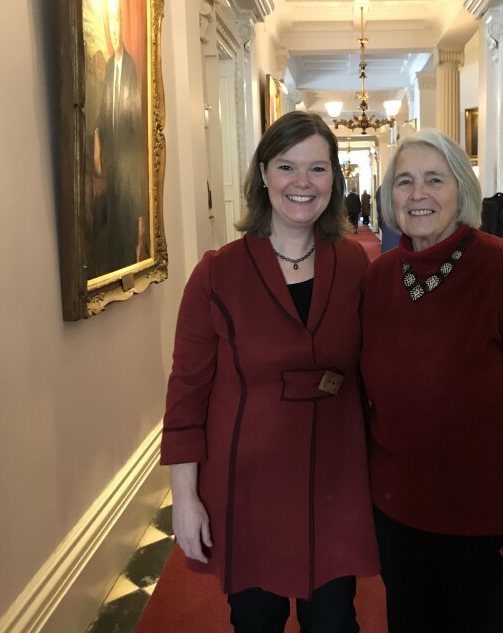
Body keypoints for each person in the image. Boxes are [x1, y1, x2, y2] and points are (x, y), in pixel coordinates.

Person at [162, 111, 379, 632]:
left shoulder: (354, 265)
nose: (302, 183)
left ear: (335, 179)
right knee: (255, 621)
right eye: (287, 167)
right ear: (263, 175)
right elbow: (187, 393)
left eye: (318, 169)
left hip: (335, 476)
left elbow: (379, 368)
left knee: (333, 621)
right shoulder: (217, 273)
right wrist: (185, 499)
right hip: (248, 483)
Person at [361, 129, 503, 632]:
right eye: (404, 182)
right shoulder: (377, 280)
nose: (417, 194)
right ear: (389, 197)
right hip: (401, 522)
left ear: (462, 190)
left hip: (490, 527)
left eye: (434, 179)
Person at [92, 0, 148, 275]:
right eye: (109, 20)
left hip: (128, 168)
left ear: (123, 23)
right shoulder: (109, 67)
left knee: (126, 228)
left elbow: (137, 131)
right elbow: (103, 112)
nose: (113, 28)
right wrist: (98, 142)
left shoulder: (129, 66)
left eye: (117, 20)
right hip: (113, 166)